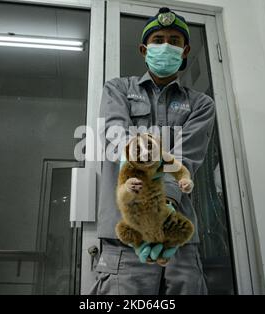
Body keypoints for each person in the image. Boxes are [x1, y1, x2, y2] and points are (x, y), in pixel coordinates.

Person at [91, 7, 216, 295]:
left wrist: (164, 209)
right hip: (126, 236)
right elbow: (118, 141)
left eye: (174, 41)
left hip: (177, 238)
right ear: (144, 49)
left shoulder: (201, 104)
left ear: (185, 51)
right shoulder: (118, 90)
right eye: (158, 40)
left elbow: (186, 160)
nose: (166, 46)